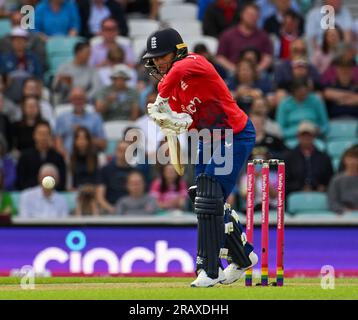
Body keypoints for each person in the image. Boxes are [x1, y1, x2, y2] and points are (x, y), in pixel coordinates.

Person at [142, 28, 258, 287]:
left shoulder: (195, 63)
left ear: (178, 50)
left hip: (234, 134)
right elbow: (181, 123)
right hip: (206, 138)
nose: (159, 61)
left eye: (163, 55)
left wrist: (160, 96)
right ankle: (243, 256)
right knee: (201, 194)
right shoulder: (171, 90)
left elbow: (178, 73)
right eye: (155, 57)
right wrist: (170, 125)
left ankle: (209, 269)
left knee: (209, 197)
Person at [216, 3, 273, 74]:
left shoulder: (264, 36)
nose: (252, 18)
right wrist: (235, 69)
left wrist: (257, 70)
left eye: (255, 15)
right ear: (242, 14)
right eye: (250, 14)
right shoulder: (227, 35)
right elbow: (220, 57)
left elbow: (268, 57)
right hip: (232, 72)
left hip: (257, 74)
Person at [54, 87, 106, 159]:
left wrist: (85, 134)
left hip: (90, 158)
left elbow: (103, 144)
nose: (78, 101)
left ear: (86, 100)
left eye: (81, 98)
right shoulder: (62, 118)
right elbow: (57, 141)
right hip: (67, 156)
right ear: (70, 100)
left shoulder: (96, 118)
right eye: (75, 98)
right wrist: (64, 155)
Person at [283, 121, 333, 194]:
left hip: (319, 194)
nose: (306, 138)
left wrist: (323, 187)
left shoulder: (324, 158)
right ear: (298, 136)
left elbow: (330, 180)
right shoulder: (289, 157)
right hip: (295, 194)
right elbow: (284, 182)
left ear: (314, 136)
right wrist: (300, 188)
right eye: (303, 135)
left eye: (309, 135)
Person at [16, 121, 67, 191]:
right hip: (30, 195)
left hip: (52, 195)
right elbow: (21, 181)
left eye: (46, 134)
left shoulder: (58, 157)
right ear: (34, 135)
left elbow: (61, 182)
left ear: (50, 136)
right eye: (40, 134)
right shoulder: (25, 157)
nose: (43, 137)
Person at [328, 146, 358, 214]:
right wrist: (344, 210)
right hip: (343, 215)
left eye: (356, 158)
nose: (353, 162)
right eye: (350, 158)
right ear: (344, 160)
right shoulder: (336, 180)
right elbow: (332, 202)